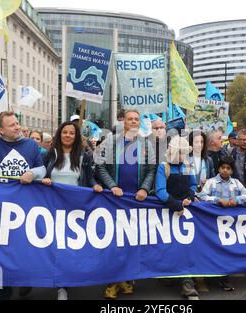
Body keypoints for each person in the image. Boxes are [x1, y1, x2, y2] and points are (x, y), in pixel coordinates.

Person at [0, 111, 46, 300]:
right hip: (0, 208)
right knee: (0, 249)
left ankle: (25, 281)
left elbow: (42, 169)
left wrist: (32, 173)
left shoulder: (30, 145)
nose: (18, 127)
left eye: (17, 123)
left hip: (26, 207)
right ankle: (3, 290)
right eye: (12, 125)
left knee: (24, 247)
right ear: (0, 130)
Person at [95, 109, 156, 299]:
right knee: (115, 242)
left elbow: (152, 169)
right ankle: (113, 281)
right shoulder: (112, 141)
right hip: (115, 200)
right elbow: (100, 166)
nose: (133, 121)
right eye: (129, 119)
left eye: (136, 119)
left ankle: (128, 278)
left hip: (136, 200)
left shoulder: (147, 143)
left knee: (132, 241)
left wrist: (145, 189)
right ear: (123, 122)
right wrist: (112, 185)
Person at [42, 121, 103, 300]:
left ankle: (65, 283)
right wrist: (44, 179)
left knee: (68, 245)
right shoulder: (50, 154)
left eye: (71, 133)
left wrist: (95, 185)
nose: (68, 135)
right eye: (64, 132)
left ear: (76, 137)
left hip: (74, 208)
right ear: (59, 134)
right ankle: (59, 282)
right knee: (54, 245)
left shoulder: (83, 156)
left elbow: (89, 178)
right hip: (52, 207)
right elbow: (42, 173)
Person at [198, 155, 246, 291]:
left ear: (232, 171)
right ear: (218, 169)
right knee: (212, 248)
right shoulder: (210, 182)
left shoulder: (236, 183)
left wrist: (237, 200)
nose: (225, 171)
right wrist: (217, 200)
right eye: (222, 168)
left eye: (228, 168)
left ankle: (225, 278)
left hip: (230, 225)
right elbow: (202, 196)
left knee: (227, 249)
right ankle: (210, 275)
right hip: (212, 223)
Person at [155, 136, 199, 300]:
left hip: (185, 212)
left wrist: (189, 196)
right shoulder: (163, 167)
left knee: (185, 246)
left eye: (184, 153)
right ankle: (170, 275)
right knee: (168, 245)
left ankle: (187, 282)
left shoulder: (187, 165)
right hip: (169, 211)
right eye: (179, 153)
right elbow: (160, 190)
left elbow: (193, 185)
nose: (182, 156)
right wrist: (177, 204)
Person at [225, 129, 246, 194]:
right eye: (242, 140)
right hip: (232, 186)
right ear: (237, 140)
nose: (245, 142)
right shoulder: (229, 152)